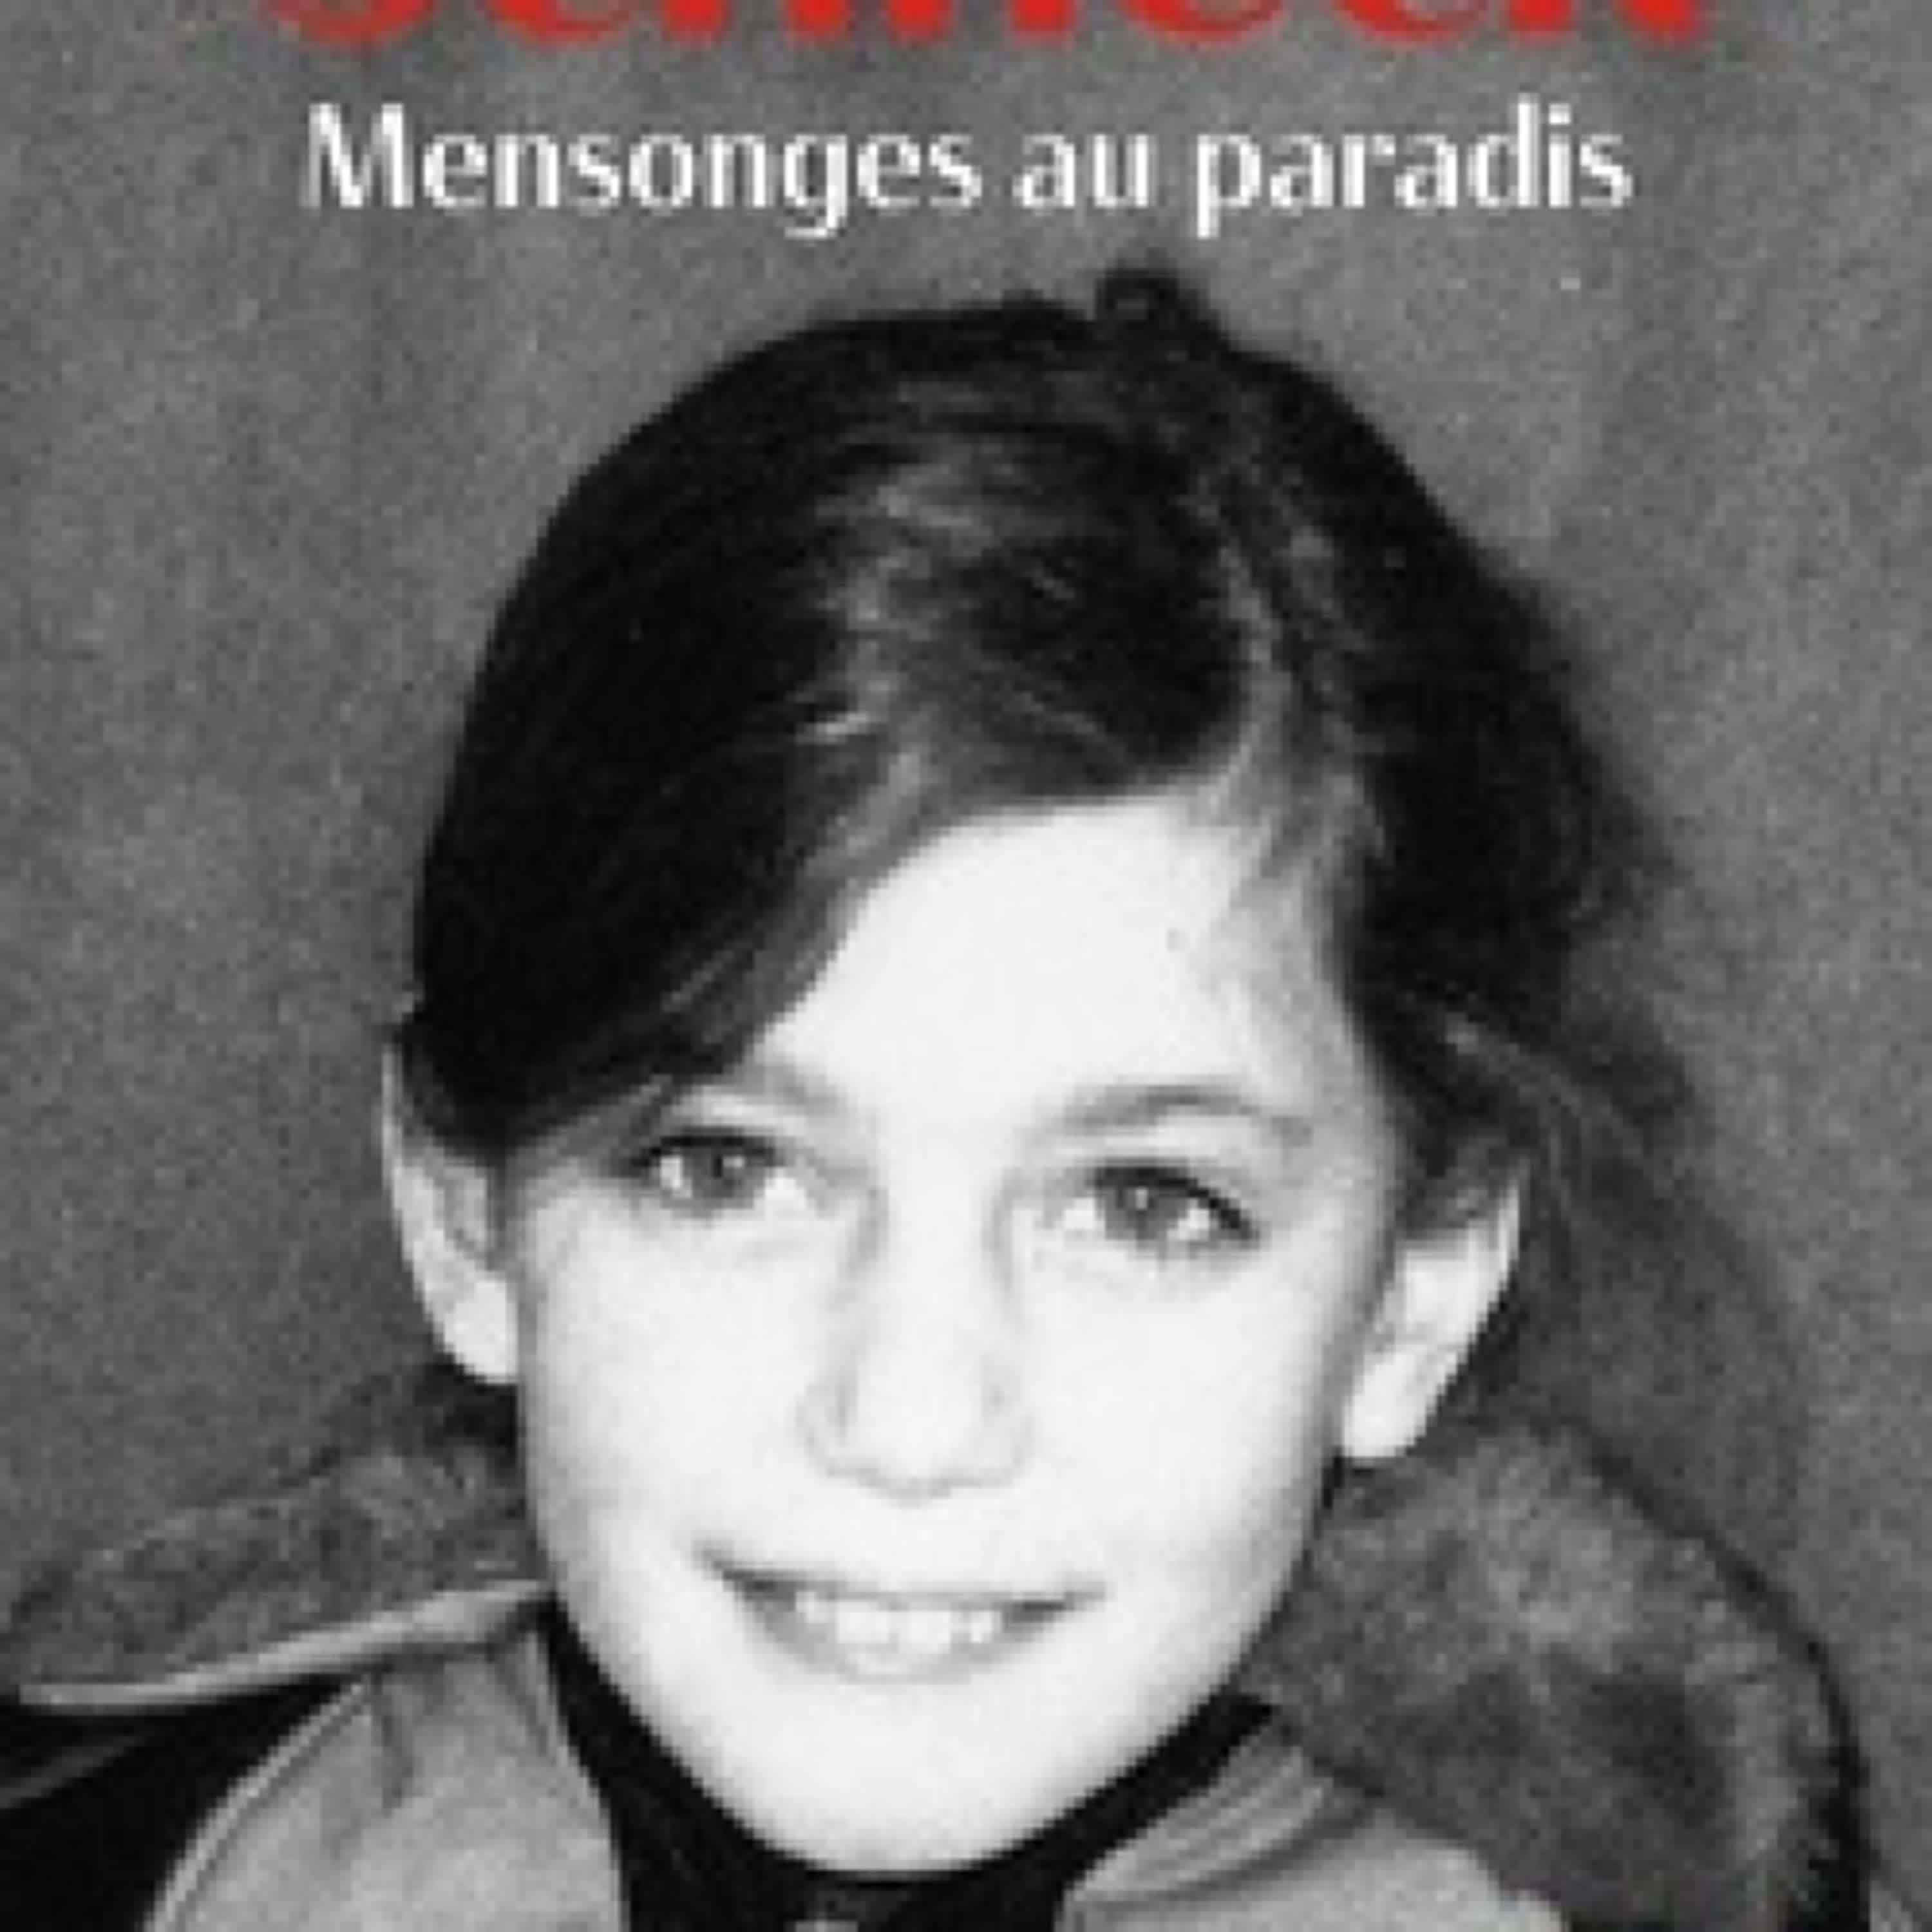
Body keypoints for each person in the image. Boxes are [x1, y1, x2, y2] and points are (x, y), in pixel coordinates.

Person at [0, 267, 1915, 1929]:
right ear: (462, 1215)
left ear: (1415, 1286)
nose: (911, 1422)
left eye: (1146, 1207)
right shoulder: (144, 1869)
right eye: (724, 1168)